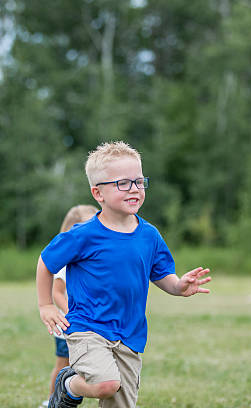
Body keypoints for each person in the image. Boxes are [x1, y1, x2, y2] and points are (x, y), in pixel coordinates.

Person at [36, 141, 211, 408]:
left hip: (129, 334)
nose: (134, 189)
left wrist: (178, 286)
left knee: (119, 401)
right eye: (123, 183)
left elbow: (161, 273)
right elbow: (46, 262)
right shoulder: (84, 234)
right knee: (106, 384)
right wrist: (46, 304)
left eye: (139, 182)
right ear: (98, 193)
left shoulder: (149, 235)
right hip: (88, 327)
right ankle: (68, 385)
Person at [41, 205, 99, 408]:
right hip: (67, 323)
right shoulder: (66, 260)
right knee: (63, 365)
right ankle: (52, 400)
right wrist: (73, 313)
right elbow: (57, 292)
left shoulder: (92, 259)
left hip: (89, 323)